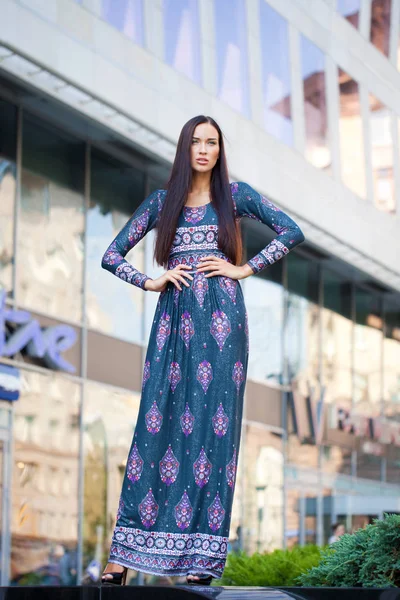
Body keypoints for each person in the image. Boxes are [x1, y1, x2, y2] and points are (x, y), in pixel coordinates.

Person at [100, 115, 305, 587]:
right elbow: (112, 254)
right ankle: (121, 557)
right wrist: (150, 281)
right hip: (172, 322)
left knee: (214, 435)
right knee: (157, 423)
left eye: (212, 142)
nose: (204, 149)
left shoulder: (236, 196)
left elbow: (291, 231)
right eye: (196, 141)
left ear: (219, 150)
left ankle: (202, 560)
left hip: (223, 325)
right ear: (183, 148)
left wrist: (244, 269)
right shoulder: (161, 203)